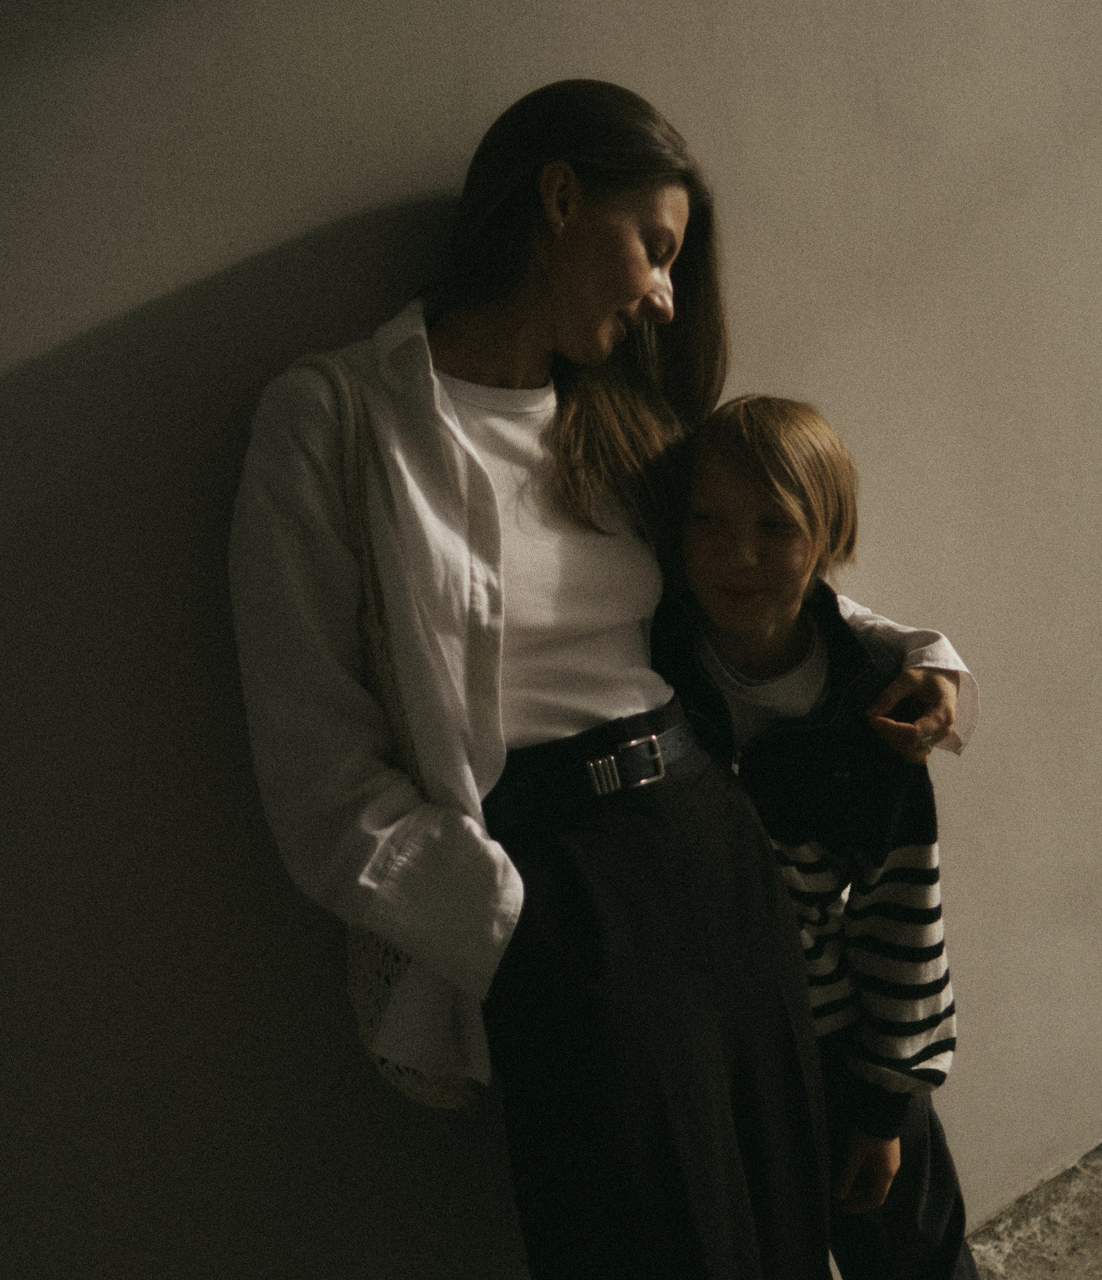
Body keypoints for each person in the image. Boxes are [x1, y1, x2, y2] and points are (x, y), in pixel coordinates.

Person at [227, 81, 972, 1280]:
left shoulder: (622, 426)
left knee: (780, 1226)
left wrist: (916, 654)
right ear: (561, 197)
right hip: (559, 891)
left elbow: (754, 587)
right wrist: (516, 934)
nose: (665, 295)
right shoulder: (338, 422)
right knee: (647, 1247)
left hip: (716, 847)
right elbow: (319, 779)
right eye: (655, 248)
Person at [651, 395, 978, 1280]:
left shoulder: (875, 708)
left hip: (843, 1055)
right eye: (710, 522)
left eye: (775, 526)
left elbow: (904, 919)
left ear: (827, 535)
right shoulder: (654, 665)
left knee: (913, 1260)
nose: (739, 554)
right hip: (717, 1055)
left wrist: (884, 1106)